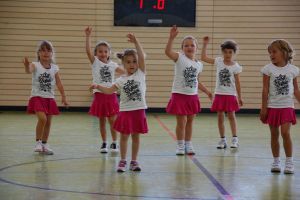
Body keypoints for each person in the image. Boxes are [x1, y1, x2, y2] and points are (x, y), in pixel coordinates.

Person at [89, 33, 147, 172]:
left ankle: (134, 161)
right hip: (125, 112)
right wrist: (97, 86)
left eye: (134, 61)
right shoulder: (120, 80)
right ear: (123, 64)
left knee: (136, 137)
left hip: (139, 110)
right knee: (124, 137)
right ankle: (122, 161)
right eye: (128, 62)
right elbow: (109, 91)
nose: (132, 64)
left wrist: (136, 41)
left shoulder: (141, 73)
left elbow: (141, 55)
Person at [165, 25, 212, 155]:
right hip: (179, 94)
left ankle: (188, 144)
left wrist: (207, 91)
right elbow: (168, 52)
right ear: (182, 48)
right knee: (181, 122)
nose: (189, 47)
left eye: (192, 45)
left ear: (196, 47)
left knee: (190, 121)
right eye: (186, 45)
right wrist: (171, 38)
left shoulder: (199, 64)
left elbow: (197, 81)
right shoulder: (179, 58)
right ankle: (180, 145)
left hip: (192, 96)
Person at [260, 39, 300, 174]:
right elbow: (265, 90)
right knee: (274, 134)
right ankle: (276, 161)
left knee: (285, 133)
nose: (271, 55)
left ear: (284, 52)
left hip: (287, 106)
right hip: (272, 107)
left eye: (274, 52)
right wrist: (264, 108)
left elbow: (295, 90)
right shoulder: (268, 69)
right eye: (269, 52)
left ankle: (289, 162)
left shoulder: (293, 70)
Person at [23, 40, 68, 155]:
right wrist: (26, 66)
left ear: (52, 53)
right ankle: (38, 142)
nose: (46, 53)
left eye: (48, 50)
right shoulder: (35, 64)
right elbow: (29, 71)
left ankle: (45, 144)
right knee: (42, 119)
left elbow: (59, 83)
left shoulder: (54, 68)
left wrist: (63, 96)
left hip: (49, 98)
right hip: (37, 97)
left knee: (48, 123)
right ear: (38, 53)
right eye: (43, 50)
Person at [85, 26, 125, 153]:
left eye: (105, 51)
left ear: (109, 53)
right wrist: (88, 36)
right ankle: (104, 143)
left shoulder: (113, 65)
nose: (103, 53)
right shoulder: (95, 62)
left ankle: (114, 142)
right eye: (100, 51)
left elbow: (126, 72)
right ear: (96, 53)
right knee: (101, 121)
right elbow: (87, 51)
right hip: (99, 95)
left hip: (111, 95)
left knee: (112, 120)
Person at [201, 36, 243, 149]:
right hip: (219, 94)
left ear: (234, 53)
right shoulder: (219, 61)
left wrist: (240, 97)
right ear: (222, 52)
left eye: (230, 52)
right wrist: (205, 44)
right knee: (220, 117)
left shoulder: (236, 66)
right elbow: (204, 58)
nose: (227, 54)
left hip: (230, 95)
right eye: (225, 52)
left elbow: (238, 83)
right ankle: (222, 140)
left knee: (231, 116)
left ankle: (235, 139)